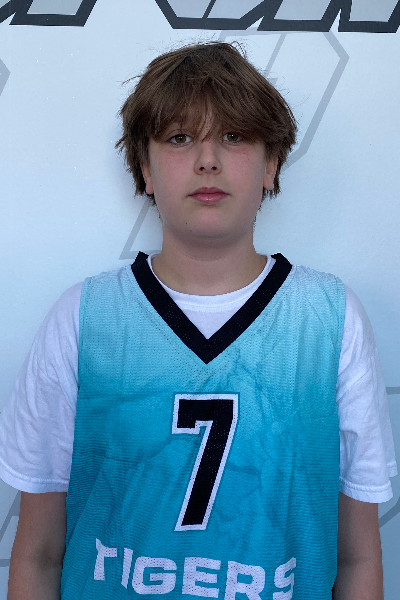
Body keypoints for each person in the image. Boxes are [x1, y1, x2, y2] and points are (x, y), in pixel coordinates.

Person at [0, 42, 396, 600]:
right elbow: (39, 554)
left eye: (234, 136)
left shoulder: (330, 320)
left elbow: (357, 559)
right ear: (145, 168)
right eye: (180, 138)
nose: (208, 159)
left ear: (271, 165)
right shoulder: (84, 320)